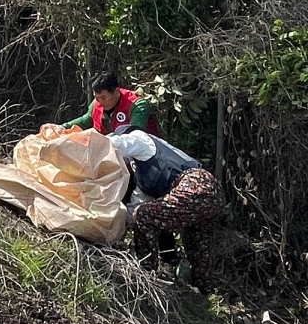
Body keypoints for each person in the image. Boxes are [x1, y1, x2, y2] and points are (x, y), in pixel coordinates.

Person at [116, 130, 223, 291]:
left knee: (144, 214)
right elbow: (135, 209)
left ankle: (145, 274)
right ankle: (204, 291)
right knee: (197, 245)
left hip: (193, 184)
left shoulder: (139, 138)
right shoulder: (142, 175)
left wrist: (80, 139)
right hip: (213, 191)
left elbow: (113, 143)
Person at [65, 72, 159, 136]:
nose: (100, 102)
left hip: (143, 160)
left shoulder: (137, 106)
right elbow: (84, 121)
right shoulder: (96, 104)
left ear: (117, 92)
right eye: (97, 98)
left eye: (103, 98)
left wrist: (102, 140)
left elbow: (134, 133)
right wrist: (62, 128)